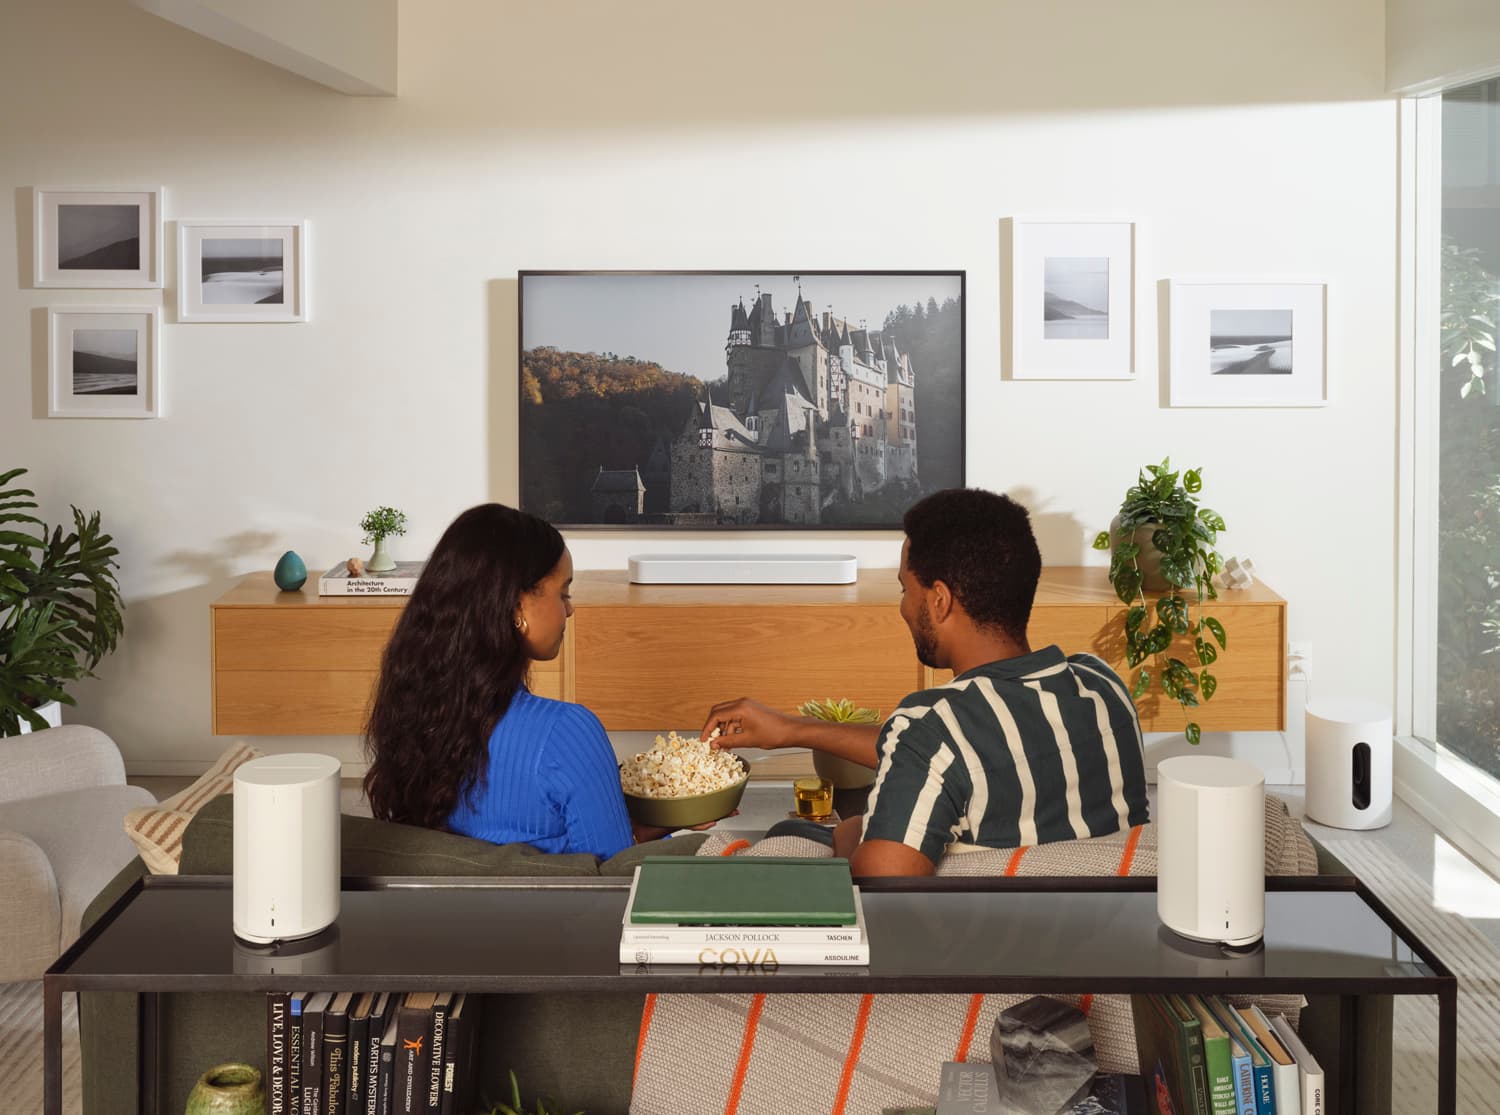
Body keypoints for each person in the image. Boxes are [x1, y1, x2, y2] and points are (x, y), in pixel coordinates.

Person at [703, 487, 1149, 877]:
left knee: (794, 829)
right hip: (1096, 937)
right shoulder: (1102, 686)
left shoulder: (933, 723)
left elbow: (883, 880)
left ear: (938, 600)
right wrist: (793, 730)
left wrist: (850, 833)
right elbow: (962, 750)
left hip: (972, 950)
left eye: (904, 589)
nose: (901, 607)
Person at [363, 503, 679, 859]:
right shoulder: (568, 732)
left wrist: (626, 825)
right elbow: (616, 874)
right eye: (563, 593)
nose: (569, 610)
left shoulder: (410, 714)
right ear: (516, 605)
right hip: (569, 915)